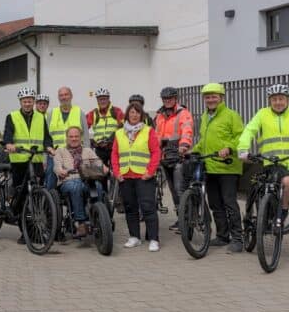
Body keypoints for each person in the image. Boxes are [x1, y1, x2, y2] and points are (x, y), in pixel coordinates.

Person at [238, 84, 289, 264]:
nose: (278, 102)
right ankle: (280, 210)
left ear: (287, 100)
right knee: (287, 181)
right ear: (269, 101)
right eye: (274, 99)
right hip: (273, 163)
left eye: (281, 99)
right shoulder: (262, 114)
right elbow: (249, 130)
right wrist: (243, 148)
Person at [191, 83, 244, 253]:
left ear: (221, 98)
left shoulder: (231, 115)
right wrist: (192, 149)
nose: (210, 100)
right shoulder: (205, 116)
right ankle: (222, 236)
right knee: (215, 203)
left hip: (227, 167)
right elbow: (204, 141)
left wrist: (228, 148)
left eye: (214, 96)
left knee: (229, 202)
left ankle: (237, 238)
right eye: (207, 97)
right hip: (210, 166)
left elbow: (240, 137)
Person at [2, 86, 54, 244]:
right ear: (20, 102)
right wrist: (9, 143)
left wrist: (49, 147)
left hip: (36, 160)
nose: (27, 103)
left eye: (30, 100)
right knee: (22, 196)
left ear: (33, 102)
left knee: (37, 196)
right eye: (25, 101)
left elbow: (46, 137)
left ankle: (37, 230)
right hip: (19, 160)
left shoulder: (40, 117)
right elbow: (8, 134)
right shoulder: (12, 116)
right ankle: (25, 232)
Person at [111, 103, 162, 251]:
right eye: (132, 112)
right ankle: (134, 237)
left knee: (148, 207)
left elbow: (156, 153)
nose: (134, 115)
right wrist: (117, 172)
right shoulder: (119, 133)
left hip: (143, 176)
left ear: (142, 115)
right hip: (125, 176)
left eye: (137, 113)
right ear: (127, 115)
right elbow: (114, 154)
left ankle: (153, 238)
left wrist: (150, 172)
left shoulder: (148, 131)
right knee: (130, 207)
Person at [53, 127, 108, 238]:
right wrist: (61, 171)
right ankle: (80, 223)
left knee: (97, 185)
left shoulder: (87, 150)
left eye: (76, 136)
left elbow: (98, 162)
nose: (74, 139)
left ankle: (98, 216)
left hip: (87, 180)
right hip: (68, 181)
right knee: (76, 186)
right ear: (67, 138)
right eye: (71, 136)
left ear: (80, 137)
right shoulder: (60, 151)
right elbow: (56, 166)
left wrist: (104, 167)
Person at [154, 86, 194, 232]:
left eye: (170, 98)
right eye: (165, 99)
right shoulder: (159, 115)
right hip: (165, 157)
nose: (167, 101)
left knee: (180, 189)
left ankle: (188, 219)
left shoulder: (183, 113)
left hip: (179, 156)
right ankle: (181, 219)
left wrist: (184, 145)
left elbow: (187, 130)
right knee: (172, 190)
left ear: (175, 98)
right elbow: (156, 135)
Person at [47, 86, 89, 189]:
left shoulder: (79, 112)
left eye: (66, 94)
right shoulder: (52, 113)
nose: (64, 97)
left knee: (77, 181)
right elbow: (46, 137)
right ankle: (51, 203)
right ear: (58, 97)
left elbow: (86, 137)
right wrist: (45, 158)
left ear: (71, 96)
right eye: (61, 95)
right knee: (50, 180)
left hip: (75, 154)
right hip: (55, 154)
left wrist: (87, 155)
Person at [87, 88, 124, 168]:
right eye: (100, 99)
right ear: (97, 101)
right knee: (99, 173)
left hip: (114, 147)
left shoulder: (116, 111)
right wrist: (89, 141)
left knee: (116, 170)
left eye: (104, 99)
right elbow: (83, 127)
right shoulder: (93, 113)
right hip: (99, 147)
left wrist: (113, 137)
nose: (102, 101)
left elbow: (123, 125)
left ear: (108, 99)